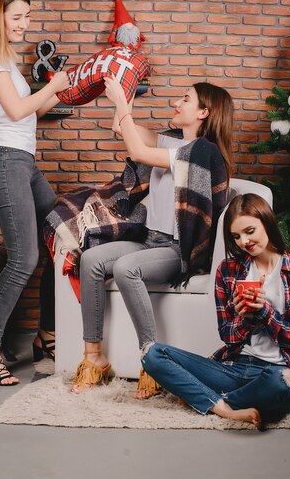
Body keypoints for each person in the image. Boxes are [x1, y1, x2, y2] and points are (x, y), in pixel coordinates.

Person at [70, 77, 234, 398]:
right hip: (149, 239)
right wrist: (122, 92)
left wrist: (121, 101)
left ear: (204, 112)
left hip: (177, 249)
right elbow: (122, 127)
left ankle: (153, 362)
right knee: (89, 259)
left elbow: (137, 151)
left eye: (185, 99)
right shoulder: (171, 141)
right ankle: (94, 358)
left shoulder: (202, 152)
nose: (176, 102)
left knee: (126, 268)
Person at [142, 193, 290, 428]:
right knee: (152, 354)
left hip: (278, 370)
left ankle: (208, 399)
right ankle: (226, 409)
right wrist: (244, 317)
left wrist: (264, 312)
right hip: (234, 368)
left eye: (249, 231)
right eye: (236, 236)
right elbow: (227, 336)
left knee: (282, 382)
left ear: (267, 222)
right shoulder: (227, 271)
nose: (244, 241)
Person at [0, 0, 69, 386]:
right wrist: (52, 86)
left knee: (60, 239)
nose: (25, 24)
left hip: (23, 160)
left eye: (28, 16)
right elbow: (14, 110)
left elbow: (34, 109)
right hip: (3, 159)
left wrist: (73, 86)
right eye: (18, 17)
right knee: (24, 257)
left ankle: (46, 334)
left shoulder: (5, 58)